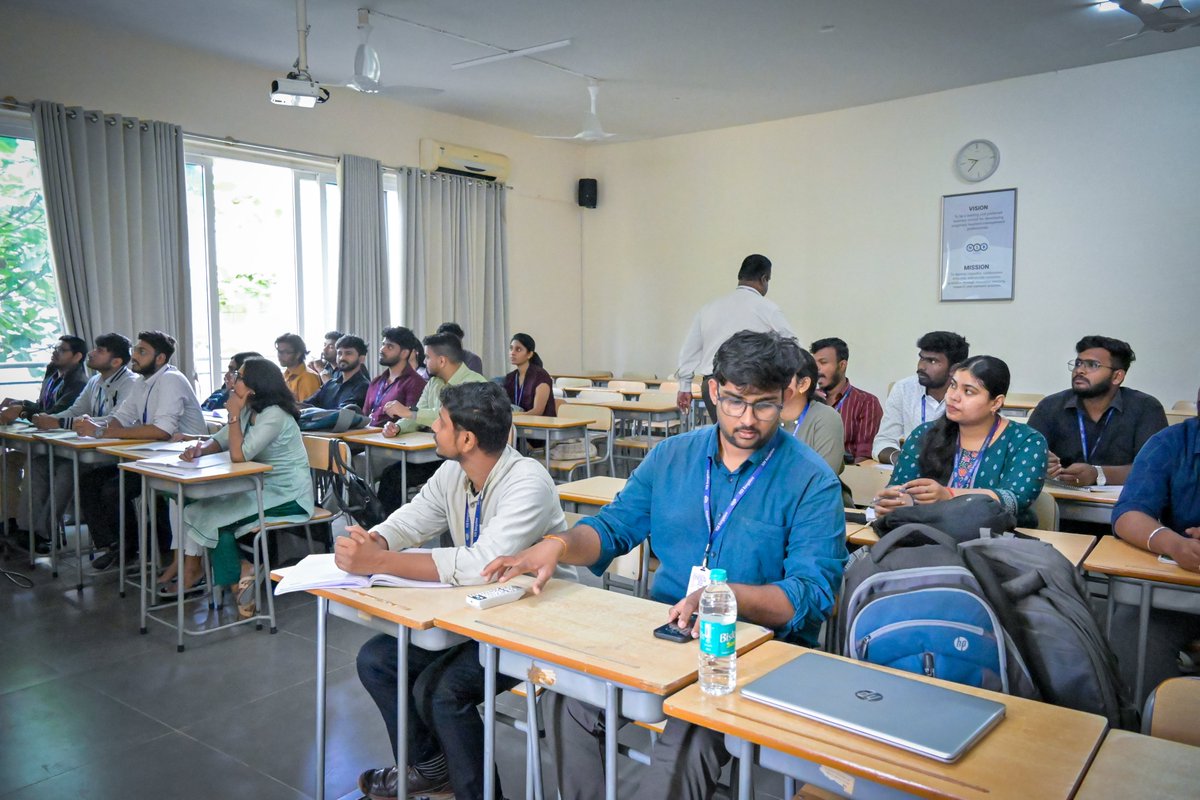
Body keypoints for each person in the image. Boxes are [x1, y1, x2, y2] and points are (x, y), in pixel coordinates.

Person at [483, 330, 847, 800]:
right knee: (565, 703)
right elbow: (614, 527)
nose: (747, 419)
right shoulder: (673, 456)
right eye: (735, 402)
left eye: (765, 405)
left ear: (787, 396)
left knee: (687, 740)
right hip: (667, 634)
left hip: (752, 650)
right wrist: (557, 544)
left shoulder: (810, 479)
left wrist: (725, 598)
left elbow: (812, 593)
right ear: (714, 390)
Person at [341, 382, 574, 800]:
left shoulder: (528, 482)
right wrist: (374, 541)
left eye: (442, 422)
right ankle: (432, 769)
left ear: (466, 439)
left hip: (532, 620)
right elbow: (413, 518)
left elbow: (480, 564)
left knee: (441, 691)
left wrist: (380, 563)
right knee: (377, 660)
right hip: (476, 611)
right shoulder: (455, 471)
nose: (433, 427)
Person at [161, 357, 314, 608]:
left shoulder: (274, 414)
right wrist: (199, 450)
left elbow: (239, 456)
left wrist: (232, 415)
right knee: (196, 507)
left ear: (255, 385)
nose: (232, 381)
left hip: (287, 494)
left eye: (239, 377)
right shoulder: (248, 409)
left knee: (212, 519)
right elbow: (220, 441)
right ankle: (242, 571)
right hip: (254, 486)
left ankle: (238, 580)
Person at [75, 331, 208, 570]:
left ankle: (130, 549)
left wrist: (101, 433)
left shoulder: (171, 379)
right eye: (136, 350)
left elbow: (162, 431)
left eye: (142, 352)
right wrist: (95, 426)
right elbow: (121, 417)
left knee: (113, 489)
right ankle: (113, 545)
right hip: (154, 458)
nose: (134, 356)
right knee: (89, 480)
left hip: (184, 461)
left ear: (160, 358)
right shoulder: (142, 382)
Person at [873, 355, 1048, 528]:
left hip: (995, 539)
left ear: (995, 403)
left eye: (968, 391)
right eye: (953, 385)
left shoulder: (1026, 441)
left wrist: (948, 495)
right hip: (926, 533)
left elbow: (1014, 500)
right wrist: (897, 501)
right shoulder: (924, 434)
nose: (953, 396)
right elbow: (899, 486)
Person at [16, 333, 139, 552]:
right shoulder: (94, 381)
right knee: (39, 464)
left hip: (116, 451)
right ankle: (26, 530)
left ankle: (42, 533)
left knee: (68, 469)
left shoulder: (131, 383)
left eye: (99, 350)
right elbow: (75, 411)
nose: (91, 353)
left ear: (116, 361)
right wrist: (50, 420)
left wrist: (59, 422)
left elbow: (115, 420)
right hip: (91, 448)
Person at [1113, 388, 1200, 671]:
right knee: (1131, 628)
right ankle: (1149, 702)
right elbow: (1129, 514)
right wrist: (1175, 545)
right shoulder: (1171, 443)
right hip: (1184, 586)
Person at [1027, 335, 1167, 488]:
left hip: (1122, 499)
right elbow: (1024, 456)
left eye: (1093, 365)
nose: (1080, 370)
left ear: (1117, 376)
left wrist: (1098, 474)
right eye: (1078, 363)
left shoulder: (1146, 408)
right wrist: (1039, 464)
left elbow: (1154, 467)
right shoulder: (1050, 406)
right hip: (1060, 496)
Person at [674, 254, 795, 422]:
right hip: (752, 385)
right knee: (749, 434)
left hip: (714, 385)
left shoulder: (709, 309)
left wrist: (684, 386)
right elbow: (792, 346)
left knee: (723, 433)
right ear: (764, 279)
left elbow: (690, 350)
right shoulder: (768, 309)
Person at [377, 333, 488, 511]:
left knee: (397, 477)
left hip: (464, 458)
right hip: (436, 452)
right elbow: (416, 416)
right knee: (392, 475)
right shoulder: (433, 383)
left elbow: (452, 417)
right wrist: (397, 427)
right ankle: (384, 526)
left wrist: (409, 412)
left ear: (442, 361)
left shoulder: (474, 383)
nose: (424, 361)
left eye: (428, 357)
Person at [0, 334, 88, 535]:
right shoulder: (52, 372)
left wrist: (22, 411)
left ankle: (30, 529)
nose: (55, 353)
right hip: (43, 444)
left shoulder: (79, 383)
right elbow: (43, 407)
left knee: (34, 466)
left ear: (77, 357)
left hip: (59, 448)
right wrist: (20, 403)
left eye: (62, 350)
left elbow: (54, 415)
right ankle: (10, 521)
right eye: (55, 348)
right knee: (4, 463)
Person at [872, 331, 970, 465]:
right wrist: (903, 460)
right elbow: (884, 441)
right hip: (912, 471)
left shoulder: (969, 397)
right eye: (921, 358)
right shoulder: (904, 389)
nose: (921, 366)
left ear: (955, 369)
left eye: (932, 361)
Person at [811, 336, 883, 464]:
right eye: (814, 364)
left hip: (846, 473)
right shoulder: (809, 400)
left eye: (823, 362)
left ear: (842, 365)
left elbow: (864, 457)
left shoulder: (866, 402)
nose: (817, 369)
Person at [780, 346, 844, 475]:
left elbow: (823, 477)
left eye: (781, 375)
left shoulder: (826, 418)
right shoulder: (763, 415)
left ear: (803, 384)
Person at [365, 327, 427, 427]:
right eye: (383, 344)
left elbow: (411, 421)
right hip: (367, 434)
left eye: (389, 347)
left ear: (404, 353)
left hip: (394, 435)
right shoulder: (376, 382)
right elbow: (364, 416)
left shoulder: (415, 383)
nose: (382, 349)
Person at [304, 334, 371, 410]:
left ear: (361, 359)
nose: (342, 357)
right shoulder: (330, 384)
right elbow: (306, 405)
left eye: (348, 353)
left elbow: (340, 414)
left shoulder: (364, 387)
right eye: (339, 353)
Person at [503, 332, 554, 416]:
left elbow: (538, 411)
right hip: (515, 422)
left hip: (539, 423)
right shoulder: (510, 377)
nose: (512, 352)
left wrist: (514, 416)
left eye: (518, 349)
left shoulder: (541, 376)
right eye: (511, 348)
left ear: (529, 354)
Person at [275, 332, 322, 402]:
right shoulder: (286, 374)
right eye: (279, 351)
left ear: (298, 354)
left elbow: (307, 407)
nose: (280, 356)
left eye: (286, 352)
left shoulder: (308, 377)